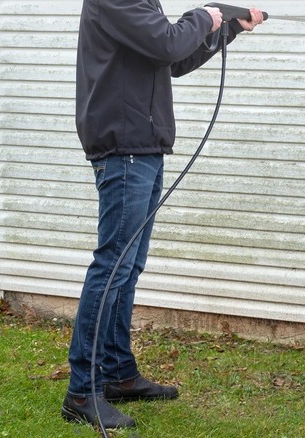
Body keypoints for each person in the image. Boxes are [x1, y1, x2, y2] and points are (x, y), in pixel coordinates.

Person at [62, 0, 264, 429]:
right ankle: (83, 390)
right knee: (113, 265)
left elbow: (172, 60)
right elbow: (168, 42)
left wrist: (226, 30)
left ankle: (118, 375)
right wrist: (206, 14)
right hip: (124, 147)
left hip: (144, 146)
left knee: (128, 266)